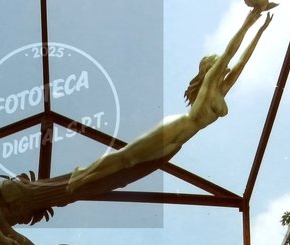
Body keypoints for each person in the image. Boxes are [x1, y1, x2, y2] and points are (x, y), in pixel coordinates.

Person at [68, 3, 275, 195]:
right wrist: (247, 24)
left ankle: (86, 179)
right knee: (127, 156)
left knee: (131, 164)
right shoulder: (210, 82)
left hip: (177, 142)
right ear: (208, 69)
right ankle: (82, 173)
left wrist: (261, 31)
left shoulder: (222, 89)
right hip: (175, 128)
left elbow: (241, 62)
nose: (223, 64)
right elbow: (231, 53)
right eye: (216, 62)